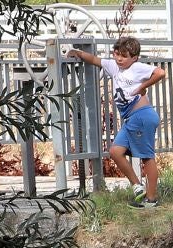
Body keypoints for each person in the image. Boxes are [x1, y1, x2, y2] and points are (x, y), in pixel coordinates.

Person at [66, 38, 166, 208]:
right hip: (131, 119)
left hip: (141, 116)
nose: (119, 59)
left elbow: (160, 73)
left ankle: (151, 199)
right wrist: (77, 53)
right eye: (117, 54)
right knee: (115, 151)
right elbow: (95, 60)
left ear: (134, 58)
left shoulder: (137, 68)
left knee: (147, 157)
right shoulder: (114, 67)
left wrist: (143, 87)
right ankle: (137, 186)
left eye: (124, 56)